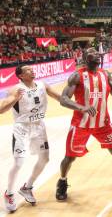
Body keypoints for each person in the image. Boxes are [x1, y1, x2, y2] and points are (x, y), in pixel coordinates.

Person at [55, 47, 112, 201]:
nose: (97, 55)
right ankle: (62, 182)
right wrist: (81, 107)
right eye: (93, 53)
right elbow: (63, 99)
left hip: (103, 123)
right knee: (70, 157)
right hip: (81, 125)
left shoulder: (105, 74)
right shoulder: (76, 76)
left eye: (98, 54)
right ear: (85, 58)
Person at [4, 65, 61, 213]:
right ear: (21, 76)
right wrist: (15, 99)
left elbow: (60, 97)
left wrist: (79, 105)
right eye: (27, 70)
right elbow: (1, 109)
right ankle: (9, 193)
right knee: (19, 162)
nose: (32, 70)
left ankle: (27, 187)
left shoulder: (43, 85)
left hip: (38, 126)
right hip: (21, 128)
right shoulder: (16, 89)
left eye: (31, 68)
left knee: (45, 158)